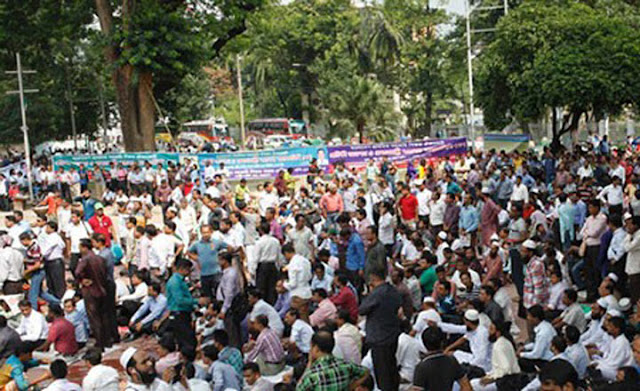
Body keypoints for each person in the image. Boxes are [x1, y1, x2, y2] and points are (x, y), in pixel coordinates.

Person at [358, 270, 402, 391]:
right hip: (391, 336)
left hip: (380, 339)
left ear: (372, 280)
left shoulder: (377, 293)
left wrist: (369, 293)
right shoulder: (393, 290)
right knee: (391, 371)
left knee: (384, 376)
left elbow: (362, 309)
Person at [297, 331, 369, 391]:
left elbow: (299, 388)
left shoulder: (313, 373)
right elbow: (365, 372)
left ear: (316, 348)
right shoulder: (346, 365)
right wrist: (350, 387)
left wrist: (309, 363)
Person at [75, 238, 112, 349]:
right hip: (102, 290)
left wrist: (82, 280)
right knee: (104, 316)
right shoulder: (100, 258)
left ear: (84, 247)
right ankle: (107, 341)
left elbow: (77, 272)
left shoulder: (85, 260)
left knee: (94, 318)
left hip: (91, 291)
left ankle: (99, 343)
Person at [413, 326, 472, 391]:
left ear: (424, 344)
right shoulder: (452, 361)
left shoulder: (421, 367)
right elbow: (466, 387)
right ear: (442, 342)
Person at [165, 258, 203, 352]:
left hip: (183, 313)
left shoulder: (181, 281)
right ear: (182, 269)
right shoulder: (175, 282)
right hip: (179, 314)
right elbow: (180, 300)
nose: (189, 272)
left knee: (186, 339)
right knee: (187, 341)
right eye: (188, 270)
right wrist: (197, 301)